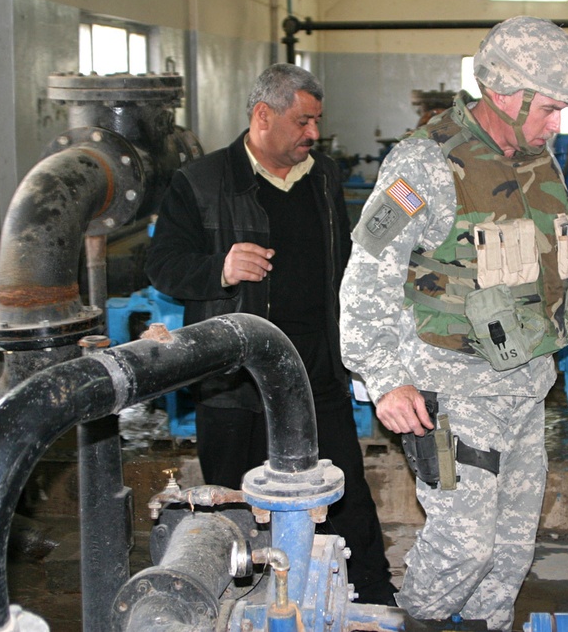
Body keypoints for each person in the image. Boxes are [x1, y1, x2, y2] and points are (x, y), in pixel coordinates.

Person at [339, 17, 568, 629]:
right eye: (551, 108)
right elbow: (366, 274)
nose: (558, 124)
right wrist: (382, 377)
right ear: (505, 93)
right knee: (464, 547)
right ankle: (416, 622)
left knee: (508, 553)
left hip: (527, 388)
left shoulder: (540, 158)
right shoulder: (422, 165)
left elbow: (551, 276)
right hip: (451, 392)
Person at [145, 62, 397, 605]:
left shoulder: (324, 176)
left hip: (316, 372)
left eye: (317, 122)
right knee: (238, 505)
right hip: (233, 383)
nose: (313, 134)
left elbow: (343, 261)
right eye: (303, 121)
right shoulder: (201, 182)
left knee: (344, 494)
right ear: (263, 116)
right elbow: (162, 265)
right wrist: (220, 266)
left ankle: (374, 598)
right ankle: (245, 604)